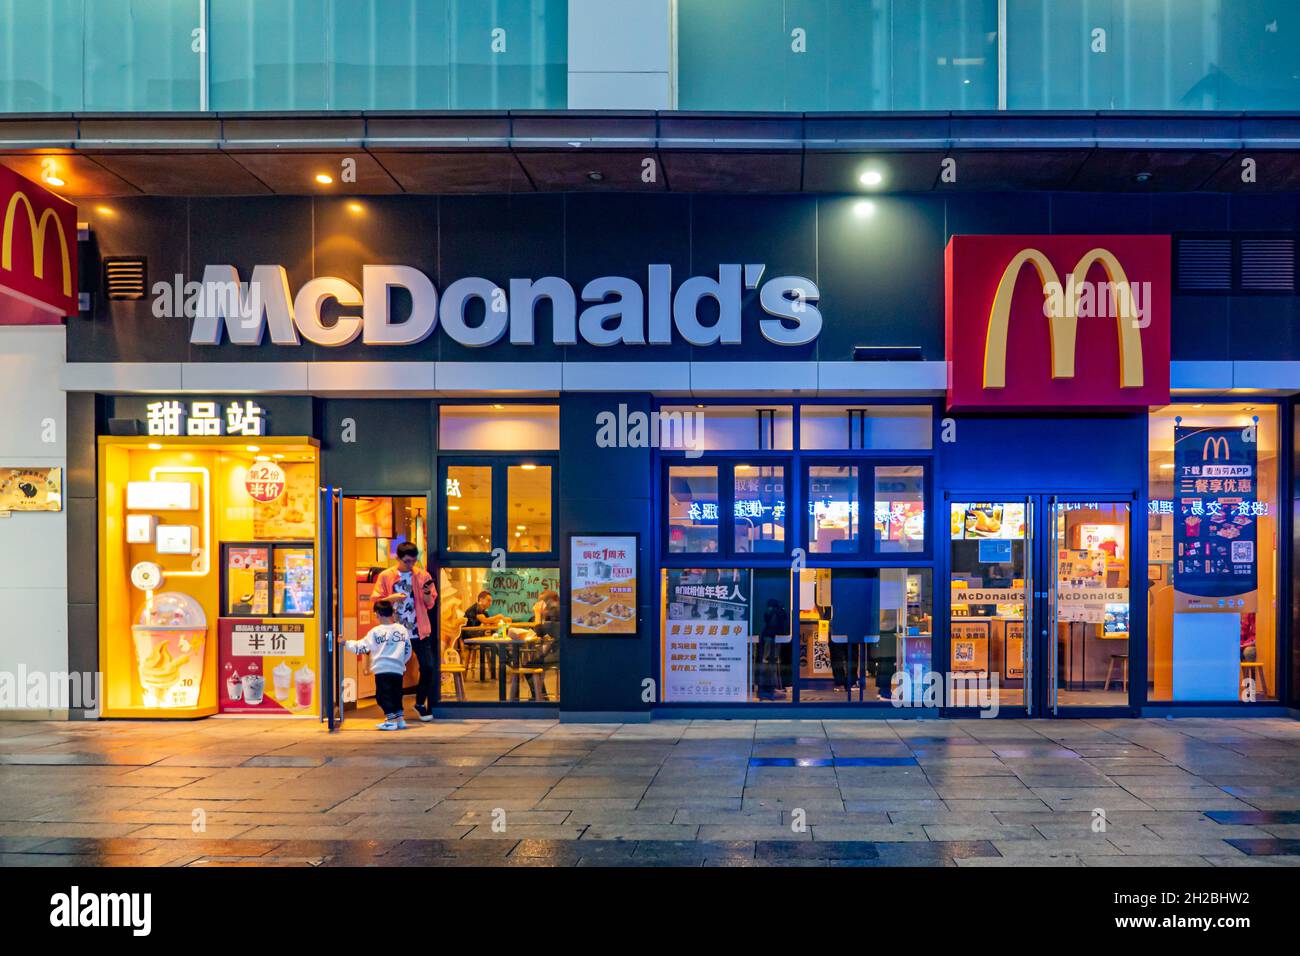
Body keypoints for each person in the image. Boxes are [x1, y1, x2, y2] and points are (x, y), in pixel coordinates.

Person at [371, 542, 438, 721]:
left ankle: (419, 702)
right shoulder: (386, 576)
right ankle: (395, 709)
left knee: (428, 667)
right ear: (398, 558)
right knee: (395, 671)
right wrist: (391, 598)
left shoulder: (423, 575)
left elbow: (430, 603)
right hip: (395, 632)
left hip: (419, 629)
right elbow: (376, 602)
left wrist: (425, 593)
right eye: (407, 561)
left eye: (414, 561)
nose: (411, 565)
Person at [343, 599, 411, 731]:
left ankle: (391, 721)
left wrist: (346, 643)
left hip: (382, 670)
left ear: (378, 614)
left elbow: (362, 646)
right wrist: (401, 662)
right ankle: (400, 720)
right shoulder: (402, 629)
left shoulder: (375, 632)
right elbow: (408, 649)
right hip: (398, 670)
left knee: (382, 696)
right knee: (396, 694)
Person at [522, 589, 561, 701]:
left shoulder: (554, 611)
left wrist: (538, 614)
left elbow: (538, 632)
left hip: (560, 655)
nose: (538, 605)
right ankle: (541, 697)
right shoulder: (557, 610)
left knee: (528, 667)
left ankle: (540, 698)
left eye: (540, 602)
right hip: (561, 651)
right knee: (534, 663)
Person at [464, 590, 510, 680]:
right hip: (469, 636)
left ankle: (507, 656)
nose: (490, 603)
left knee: (498, 637)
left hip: (478, 635)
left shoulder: (483, 611)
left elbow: (490, 622)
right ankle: (507, 658)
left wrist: (502, 620)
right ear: (481, 599)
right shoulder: (476, 608)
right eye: (488, 600)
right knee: (493, 642)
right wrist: (498, 617)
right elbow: (485, 621)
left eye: (491, 601)